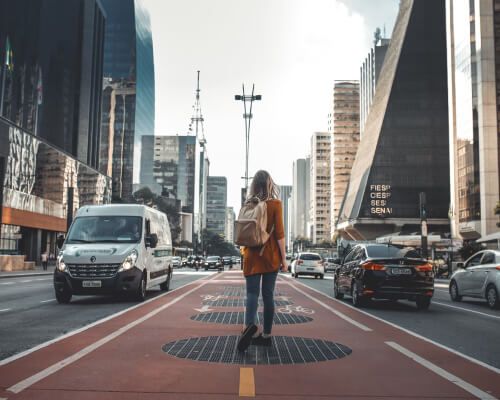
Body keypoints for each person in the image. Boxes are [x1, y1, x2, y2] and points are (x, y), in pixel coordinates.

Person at [237, 170, 288, 352]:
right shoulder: (275, 204)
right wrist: (284, 259)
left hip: (251, 255)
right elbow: (280, 234)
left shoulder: (248, 204)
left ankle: (248, 327)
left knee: (251, 294)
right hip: (270, 256)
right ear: (269, 183)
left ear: (254, 185)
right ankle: (266, 336)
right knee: (268, 296)